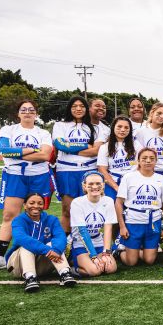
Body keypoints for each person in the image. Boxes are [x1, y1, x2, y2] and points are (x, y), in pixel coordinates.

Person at [0, 99, 55, 273]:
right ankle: (0, 256)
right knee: (9, 215)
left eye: (31, 110)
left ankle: (32, 252)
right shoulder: (8, 129)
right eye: (24, 109)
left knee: (36, 214)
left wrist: (18, 154)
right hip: (15, 175)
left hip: (38, 175)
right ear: (18, 113)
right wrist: (34, 150)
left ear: (36, 114)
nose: (28, 112)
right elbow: (4, 151)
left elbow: (46, 155)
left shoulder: (43, 132)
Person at [51, 96, 105, 240]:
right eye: (74, 106)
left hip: (90, 171)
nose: (78, 109)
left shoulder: (98, 128)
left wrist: (70, 148)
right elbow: (60, 145)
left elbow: (96, 151)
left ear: (87, 109)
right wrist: (85, 146)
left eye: (82, 106)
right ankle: (66, 245)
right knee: (68, 211)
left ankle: (88, 243)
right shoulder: (60, 125)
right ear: (69, 108)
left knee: (90, 209)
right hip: (67, 171)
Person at [6, 192, 77, 292]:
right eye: (32, 203)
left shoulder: (52, 219)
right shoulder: (18, 220)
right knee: (26, 246)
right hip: (19, 265)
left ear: (44, 206)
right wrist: (48, 250)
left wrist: (55, 250)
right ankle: (30, 277)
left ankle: (65, 273)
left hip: (42, 265)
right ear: (25, 205)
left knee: (53, 244)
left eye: (40, 203)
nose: (36, 206)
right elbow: (21, 238)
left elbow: (60, 236)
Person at [115, 147, 163, 267]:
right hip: (133, 221)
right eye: (144, 158)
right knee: (131, 262)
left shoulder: (161, 179)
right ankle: (119, 251)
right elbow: (119, 202)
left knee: (149, 260)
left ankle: (137, 250)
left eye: (152, 158)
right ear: (138, 161)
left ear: (156, 161)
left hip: (153, 222)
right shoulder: (128, 177)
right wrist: (122, 226)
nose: (148, 161)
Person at [68, 172, 119, 278]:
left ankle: (88, 262)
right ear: (84, 186)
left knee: (110, 268)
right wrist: (93, 256)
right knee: (95, 271)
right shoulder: (77, 203)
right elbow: (82, 232)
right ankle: (73, 267)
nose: (95, 187)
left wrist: (106, 253)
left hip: (98, 241)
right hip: (81, 243)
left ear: (103, 185)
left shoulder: (108, 201)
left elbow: (108, 228)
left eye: (98, 183)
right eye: (90, 184)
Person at [134, 103, 163, 196]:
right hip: (150, 170)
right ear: (152, 113)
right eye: (159, 113)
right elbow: (140, 155)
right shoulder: (141, 131)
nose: (161, 116)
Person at [96, 116, 140, 200]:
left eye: (126, 127)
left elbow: (140, 165)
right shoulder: (105, 147)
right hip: (112, 183)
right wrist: (116, 188)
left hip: (133, 183)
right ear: (113, 128)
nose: (123, 130)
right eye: (119, 127)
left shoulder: (136, 145)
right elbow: (102, 169)